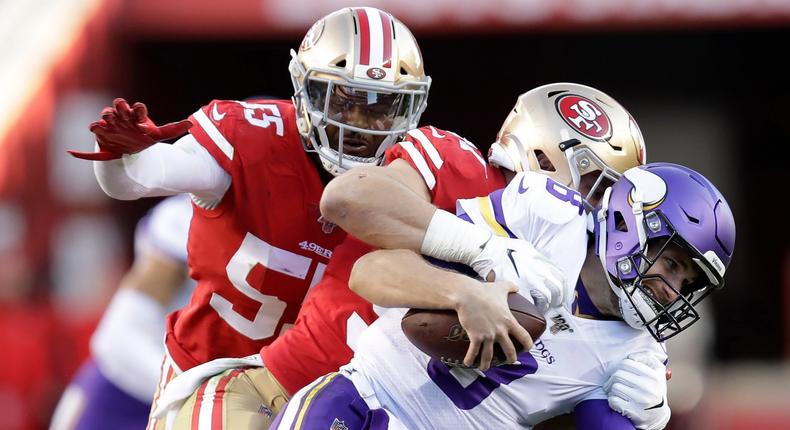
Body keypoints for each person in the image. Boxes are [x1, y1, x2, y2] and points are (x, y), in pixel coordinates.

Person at [149, 83, 653, 429]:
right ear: (545, 156)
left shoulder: (590, 283)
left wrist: (644, 399)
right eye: (597, 186)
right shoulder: (460, 167)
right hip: (278, 395)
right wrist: (481, 253)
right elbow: (351, 200)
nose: (602, 210)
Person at [68, 7, 431, 429]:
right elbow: (138, 176)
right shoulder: (251, 142)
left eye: (382, 106)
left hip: (321, 394)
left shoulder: (418, 175)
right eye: (344, 101)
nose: (361, 123)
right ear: (305, 92)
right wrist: (119, 158)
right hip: (210, 373)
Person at [273, 162, 735, 430]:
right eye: (671, 264)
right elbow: (369, 269)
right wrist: (472, 275)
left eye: (688, 283)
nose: (672, 290)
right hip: (362, 400)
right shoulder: (547, 217)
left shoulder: (638, 354)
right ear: (628, 224)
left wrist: (645, 421)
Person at [48, 195, 194, 430]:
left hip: (199, 400)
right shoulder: (189, 219)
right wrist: (198, 390)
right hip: (123, 400)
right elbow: (119, 337)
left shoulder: (271, 221)